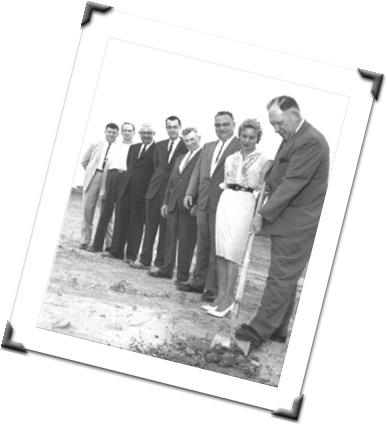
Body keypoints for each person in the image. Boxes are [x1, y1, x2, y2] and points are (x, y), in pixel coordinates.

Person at [235, 96, 330, 349]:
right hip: (288, 221)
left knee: (279, 278)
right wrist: (270, 171)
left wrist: (261, 215)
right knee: (284, 277)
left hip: (298, 224)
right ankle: (278, 328)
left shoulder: (311, 141)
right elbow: (282, 173)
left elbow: (292, 184)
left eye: (278, 124)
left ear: (294, 116)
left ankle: (258, 330)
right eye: (273, 125)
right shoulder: (292, 139)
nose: (275, 130)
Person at [203, 119, 272, 317]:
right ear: (239, 136)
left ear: (257, 138)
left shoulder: (264, 159)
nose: (247, 140)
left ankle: (229, 299)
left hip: (245, 201)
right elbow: (226, 181)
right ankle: (220, 296)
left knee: (233, 250)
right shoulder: (231, 158)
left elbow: (263, 189)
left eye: (252, 137)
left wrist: (258, 214)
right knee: (221, 249)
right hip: (227, 199)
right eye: (244, 136)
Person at [179, 111, 241, 302]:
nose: (221, 128)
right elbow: (198, 171)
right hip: (203, 202)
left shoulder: (240, 146)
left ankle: (213, 288)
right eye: (218, 125)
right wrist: (190, 193)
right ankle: (198, 282)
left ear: (233, 125)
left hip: (224, 204)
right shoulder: (207, 147)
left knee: (218, 247)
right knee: (203, 244)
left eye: (225, 124)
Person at [130, 116, 188, 270]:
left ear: (180, 127)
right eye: (169, 127)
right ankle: (144, 260)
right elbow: (157, 167)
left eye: (175, 127)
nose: (172, 130)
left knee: (165, 229)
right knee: (150, 226)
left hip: (170, 193)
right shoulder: (160, 145)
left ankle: (159, 262)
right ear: (166, 128)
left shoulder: (186, 146)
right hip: (154, 191)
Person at [148, 127, 202, 282]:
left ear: (199, 138)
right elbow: (171, 181)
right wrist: (165, 202)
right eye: (186, 141)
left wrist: (197, 203)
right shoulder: (181, 158)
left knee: (186, 240)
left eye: (192, 139)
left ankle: (182, 274)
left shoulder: (203, 156)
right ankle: (166, 269)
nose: (190, 143)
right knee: (169, 238)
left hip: (188, 204)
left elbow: (203, 181)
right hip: (172, 203)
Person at [106, 123, 156, 261]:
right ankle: (116, 251)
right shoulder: (134, 148)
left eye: (149, 133)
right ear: (139, 134)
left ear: (154, 134)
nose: (146, 135)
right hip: (126, 189)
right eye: (143, 133)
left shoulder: (157, 149)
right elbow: (129, 165)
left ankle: (131, 255)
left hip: (142, 192)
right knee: (120, 220)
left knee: (136, 224)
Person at [88, 122, 135, 253]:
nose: (126, 133)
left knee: (121, 215)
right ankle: (96, 245)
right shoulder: (115, 146)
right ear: (121, 132)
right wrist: (103, 188)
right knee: (105, 212)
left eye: (129, 130)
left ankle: (115, 249)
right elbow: (107, 168)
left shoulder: (136, 148)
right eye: (124, 130)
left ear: (133, 133)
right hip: (112, 177)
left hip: (126, 180)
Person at [79, 123, 119, 250]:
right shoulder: (95, 144)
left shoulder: (119, 147)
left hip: (108, 179)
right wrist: (92, 173)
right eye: (109, 132)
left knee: (107, 211)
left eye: (114, 132)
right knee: (87, 210)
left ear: (117, 134)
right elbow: (84, 161)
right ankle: (85, 241)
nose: (111, 134)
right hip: (94, 176)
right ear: (105, 132)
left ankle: (109, 244)